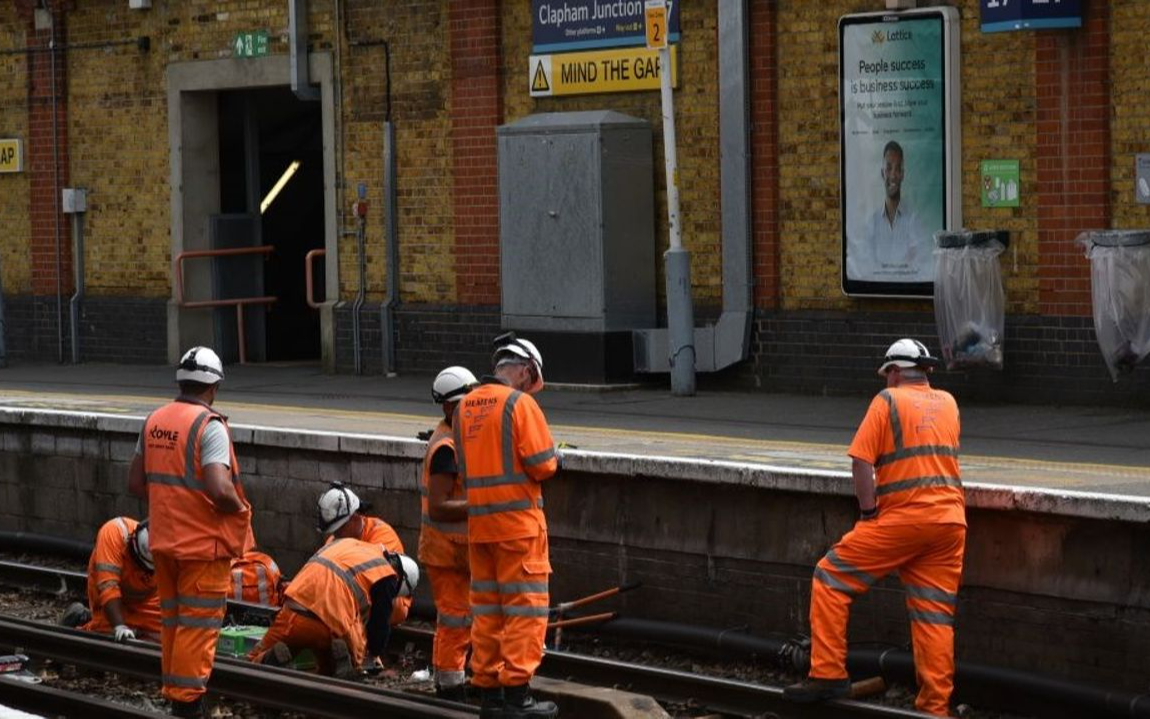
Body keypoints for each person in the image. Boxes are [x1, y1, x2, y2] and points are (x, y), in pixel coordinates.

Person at [784, 339, 966, 717]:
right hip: (949, 524)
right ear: (926, 372)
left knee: (830, 578)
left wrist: (868, 514)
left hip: (903, 520)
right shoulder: (948, 403)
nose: (886, 382)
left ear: (896, 372)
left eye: (887, 376)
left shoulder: (887, 401)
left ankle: (828, 672)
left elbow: (861, 462)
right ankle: (935, 708)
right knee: (933, 615)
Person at [128, 346, 253, 719]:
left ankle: (175, 693)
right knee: (198, 627)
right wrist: (239, 506)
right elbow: (218, 486)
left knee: (174, 621)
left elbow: (136, 482)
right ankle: (187, 703)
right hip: (202, 547)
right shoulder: (208, 425)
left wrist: (173, 502)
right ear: (213, 387)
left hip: (164, 542)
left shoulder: (154, 420)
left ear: (181, 381)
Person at [454, 333, 560, 719]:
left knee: (487, 611)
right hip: (518, 528)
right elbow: (543, 464)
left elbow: (464, 471)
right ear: (525, 371)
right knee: (525, 611)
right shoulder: (520, 404)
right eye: (533, 382)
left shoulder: (465, 406)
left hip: (480, 528)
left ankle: (490, 697)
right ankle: (518, 696)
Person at [247, 539, 419, 677]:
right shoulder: (387, 576)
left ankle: (270, 660)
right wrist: (373, 656)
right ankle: (340, 668)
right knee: (337, 655)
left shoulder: (348, 543)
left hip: (295, 611)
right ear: (400, 581)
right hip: (330, 627)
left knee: (255, 659)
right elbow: (379, 625)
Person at [419, 366, 479, 700]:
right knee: (455, 618)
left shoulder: (457, 438)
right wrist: (480, 504)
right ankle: (450, 684)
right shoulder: (446, 448)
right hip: (446, 549)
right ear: (448, 407)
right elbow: (440, 506)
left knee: (465, 616)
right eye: (466, 403)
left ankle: (457, 677)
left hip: (456, 547)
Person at [317, 482, 411, 624]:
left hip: (391, 600)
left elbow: (378, 581)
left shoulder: (382, 534)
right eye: (334, 531)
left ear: (355, 518)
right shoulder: (334, 539)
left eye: (340, 529)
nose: (337, 535)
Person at [60, 516, 160, 643]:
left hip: (145, 598)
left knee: (164, 636)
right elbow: (108, 586)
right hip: (111, 596)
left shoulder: (169, 550)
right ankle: (82, 619)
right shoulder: (114, 533)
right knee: (108, 637)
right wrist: (119, 626)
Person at [847, 140, 931, 283]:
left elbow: (922, 266)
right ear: (882, 173)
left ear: (903, 174)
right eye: (889, 168)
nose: (893, 175)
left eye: (898, 169)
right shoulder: (871, 223)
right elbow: (866, 269)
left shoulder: (914, 220)